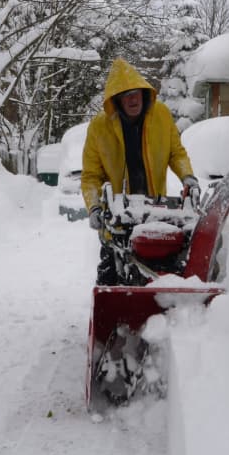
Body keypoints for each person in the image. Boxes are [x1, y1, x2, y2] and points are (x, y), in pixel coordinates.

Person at [81, 58, 198, 285]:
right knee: (111, 277)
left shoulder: (161, 116)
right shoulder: (99, 127)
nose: (133, 98)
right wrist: (94, 207)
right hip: (118, 218)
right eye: (126, 94)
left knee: (164, 268)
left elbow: (176, 153)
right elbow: (91, 176)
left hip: (153, 210)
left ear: (144, 93)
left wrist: (188, 177)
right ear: (116, 100)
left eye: (136, 92)